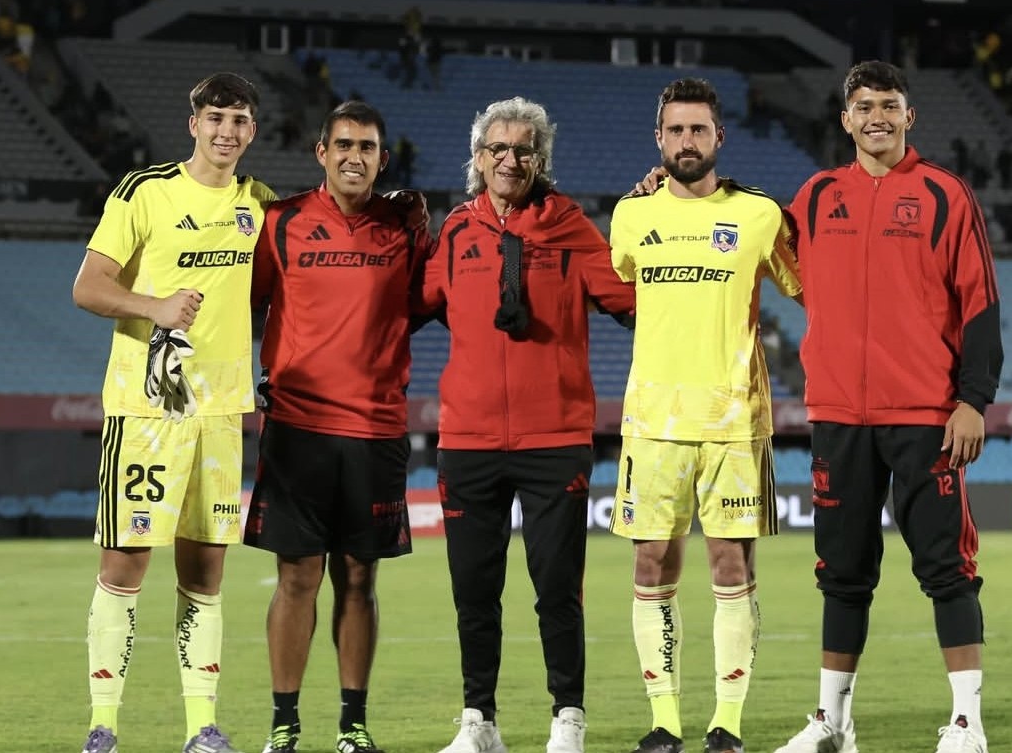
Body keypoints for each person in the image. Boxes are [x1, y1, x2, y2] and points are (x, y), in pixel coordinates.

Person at [774, 60, 1002, 753]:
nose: (877, 116)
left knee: (946, 566)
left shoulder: (945, 195)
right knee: (841, 573)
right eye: (864, 105)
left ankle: (968, 724)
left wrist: (973, 401)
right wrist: (672, 191)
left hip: (926, 413)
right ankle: (833, 724)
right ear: (845, 119)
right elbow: (741, 237)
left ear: (910, 117)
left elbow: (982, 306)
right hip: (837, 413)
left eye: (890, 105)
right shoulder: (813, 198)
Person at [420, 96, 635, 753]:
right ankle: (477, 720)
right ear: (479, 158)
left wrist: (659, 219)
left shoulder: (573, 227)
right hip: (468, 441)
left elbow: (632, 302)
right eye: (498, 149)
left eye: (523, 149)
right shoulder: (454, 231)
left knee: (556, 592)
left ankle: (567, 716)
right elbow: (401, 309)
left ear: (540, 158)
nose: (510, 160)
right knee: (475, 594)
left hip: (556, 439)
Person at [72, 72, 275, 753]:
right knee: (124, 569)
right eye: (215, 117)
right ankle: (103, 725)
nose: (227, 131)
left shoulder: (260, 204)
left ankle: (201, 729)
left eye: (239, 120)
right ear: (193, 124)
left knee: (205, 576)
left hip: (220, 414)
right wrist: (155, 307)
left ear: (253, 130)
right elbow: (88, 285)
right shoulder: (144, 191)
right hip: (149, 408)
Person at [610, 77, 803, 753]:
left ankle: (728, 721)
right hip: (653, 423)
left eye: (698, 130)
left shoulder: (759, 215)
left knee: (731, 567)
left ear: (719, 137)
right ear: (658, 138)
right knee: (652, 567)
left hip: (734, 422)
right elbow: (620, 274)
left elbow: (808, 285)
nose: (685, 141)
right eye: (674, 130)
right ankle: (665, 721)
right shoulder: (629, 216)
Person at [243, 100, 433, 753]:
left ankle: (353, 724)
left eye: (369, 147)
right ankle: (284, 725)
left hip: (377, 431)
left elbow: (427, 303)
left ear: (384, 159)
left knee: (360, 578)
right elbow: (250, 303)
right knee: (297, 577)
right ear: (320, 152)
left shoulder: (406, 226)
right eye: (344, 144)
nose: (356, 156)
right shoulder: (282, 223)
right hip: (297, 430)